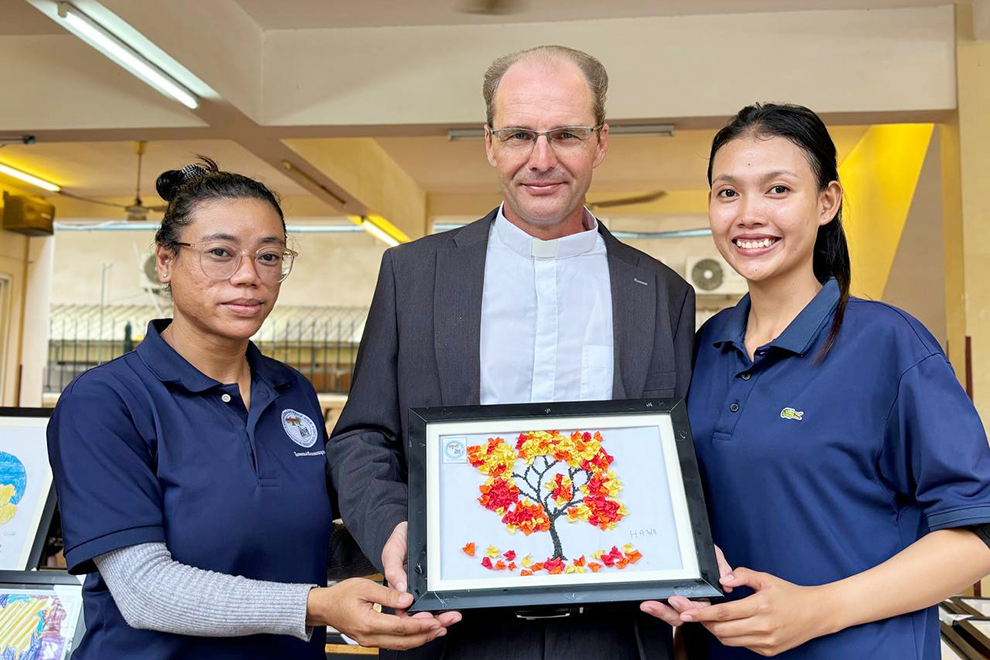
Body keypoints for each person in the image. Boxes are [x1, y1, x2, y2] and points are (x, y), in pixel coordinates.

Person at [328, 45, 695, 660]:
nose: (541, 159)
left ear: (600, 142)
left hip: (616, 634)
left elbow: (680, 456)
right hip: (448, 631)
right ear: (490, 143)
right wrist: (395, 529)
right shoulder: (413, 275)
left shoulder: (663, 293)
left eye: (566, 135)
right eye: (520, 134)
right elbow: (362, 435)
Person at [47, 160, 456, 660]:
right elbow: (145, 590)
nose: (248, 276)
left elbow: (292, 543)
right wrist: (319, 605)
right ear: (165, 260)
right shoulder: (105, 401)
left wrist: (415, 543)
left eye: (268, 256)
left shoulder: (292, 392)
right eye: (220, 253)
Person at [642, 103, 990, 658]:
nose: (748, 214)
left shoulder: (889, 344)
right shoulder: (702, 346)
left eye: (778, 189)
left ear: (827, 201)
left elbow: (976, 536)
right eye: (727, 192)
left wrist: (817, 610)